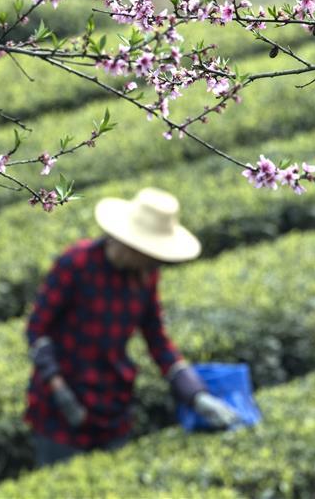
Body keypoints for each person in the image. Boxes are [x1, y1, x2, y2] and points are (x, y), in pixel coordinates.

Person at [24, 187, 240, 467]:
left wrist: (195, 394)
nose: (155, 261)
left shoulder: (145, 277)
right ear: (130, 244)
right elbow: (37, 329)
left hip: (111, 404)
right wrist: (58, 387)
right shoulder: (76, 264)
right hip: (60, 410)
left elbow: (157, 340)